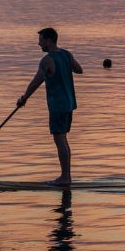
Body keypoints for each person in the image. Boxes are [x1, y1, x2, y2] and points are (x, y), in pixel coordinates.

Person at [17, 28, 83, 184]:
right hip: (69, 105)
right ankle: (66, 176)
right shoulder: (66, 54)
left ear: (48, 40)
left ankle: (65, 177)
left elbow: (36, 82)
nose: (38, 43)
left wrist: (24, 98)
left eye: (40, 40)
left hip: (58, 106)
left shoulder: (47, 60)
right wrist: (67, 65)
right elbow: (79, 70)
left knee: (60, 140)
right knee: (63, 140)